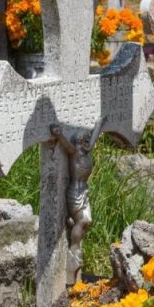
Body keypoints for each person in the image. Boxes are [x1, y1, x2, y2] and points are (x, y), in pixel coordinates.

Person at [50, 117, 104, 286]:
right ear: (79, 142)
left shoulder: (86, 151)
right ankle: (73, 253)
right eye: (85, 140)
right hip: (75, 191)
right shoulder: (75, 152)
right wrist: (58, 135)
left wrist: (99, 124)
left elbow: (94, 139)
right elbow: (66, 145)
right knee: (84, 220)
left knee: (87, 222)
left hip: (84, 190)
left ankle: (71, 225)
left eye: (88, 140)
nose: (88, 143)